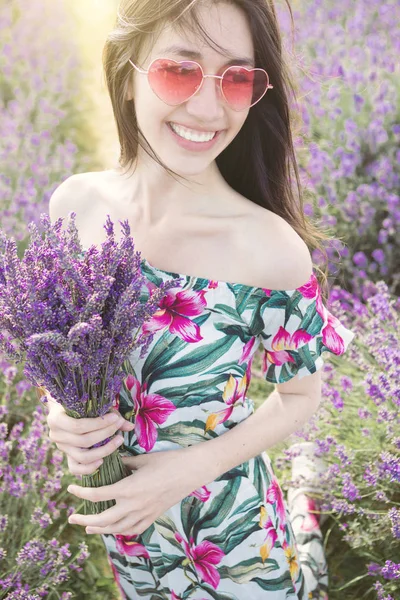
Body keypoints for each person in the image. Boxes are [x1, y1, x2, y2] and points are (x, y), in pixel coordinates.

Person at [45, 0, 355, 598]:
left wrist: (186, 471)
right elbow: (53, 339)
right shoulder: (76, 208)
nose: (209, 108)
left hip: (235, 537)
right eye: (178, 70)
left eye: (236, 78)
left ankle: (300, 532)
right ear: (126, 72)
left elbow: (300, 398)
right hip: (130, 533)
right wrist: (63, 412)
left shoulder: (270, 250)